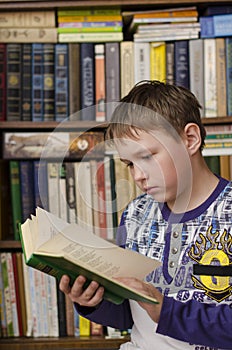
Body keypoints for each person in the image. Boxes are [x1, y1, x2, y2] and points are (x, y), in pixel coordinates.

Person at [60, 81, 232, 349]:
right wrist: (92, 302)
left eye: (148, 156)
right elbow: (129, 314)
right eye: (129, 164)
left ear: (190, 139)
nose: (138, 175)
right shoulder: (135, 215)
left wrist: (169, 312)